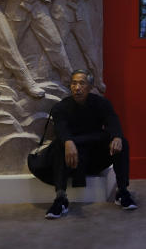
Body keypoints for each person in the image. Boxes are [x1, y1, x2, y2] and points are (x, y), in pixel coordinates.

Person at [45, 69, 136, 218]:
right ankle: (60, 199)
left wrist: (117, 137)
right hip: (71, 160)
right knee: (59, 146)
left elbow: (112, 120)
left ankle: (122, 191)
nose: (77, 87)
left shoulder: (102, 103)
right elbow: (60, 128)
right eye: (74, 83)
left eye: (82, 83)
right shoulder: (60, 107)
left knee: (121, 143)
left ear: (90, 86)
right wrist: (68, 142)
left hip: (94, 157)